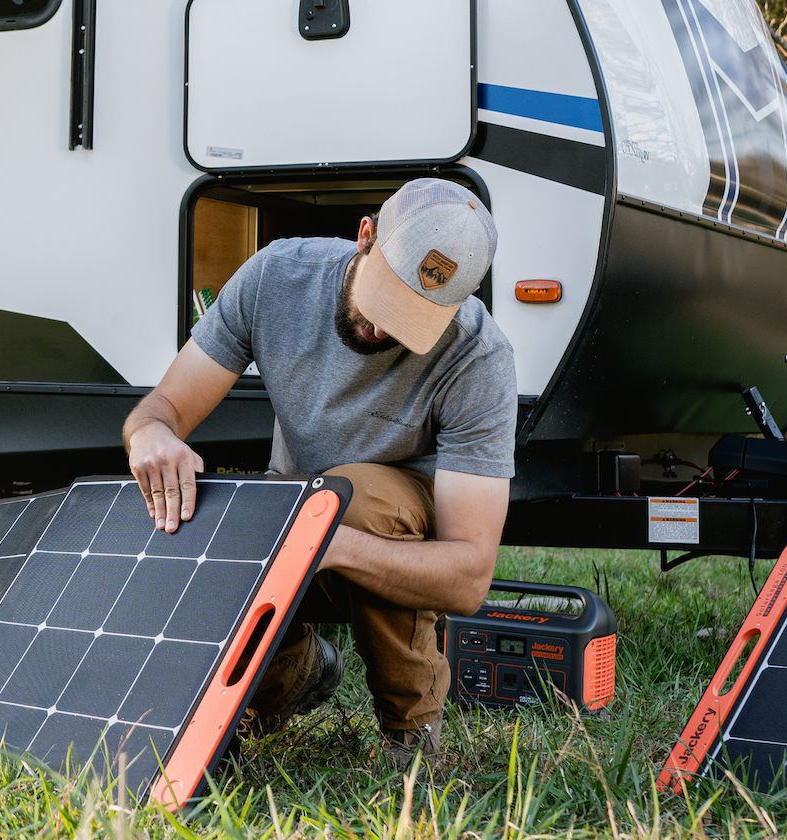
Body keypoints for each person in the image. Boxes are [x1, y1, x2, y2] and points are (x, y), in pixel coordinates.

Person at [121, 176, 515, 766]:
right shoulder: (278, 278)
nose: (384, 330)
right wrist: (150, 433)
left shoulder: (477, 358)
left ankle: (412, 733)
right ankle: (300, 673)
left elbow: (468, 577)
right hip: (289, 514)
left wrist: (327, 542)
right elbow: (163, 409)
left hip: (376, 529)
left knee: (354, 495)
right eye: (387, 299)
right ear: (365, 237)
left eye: (414, 319)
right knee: (194, 521)